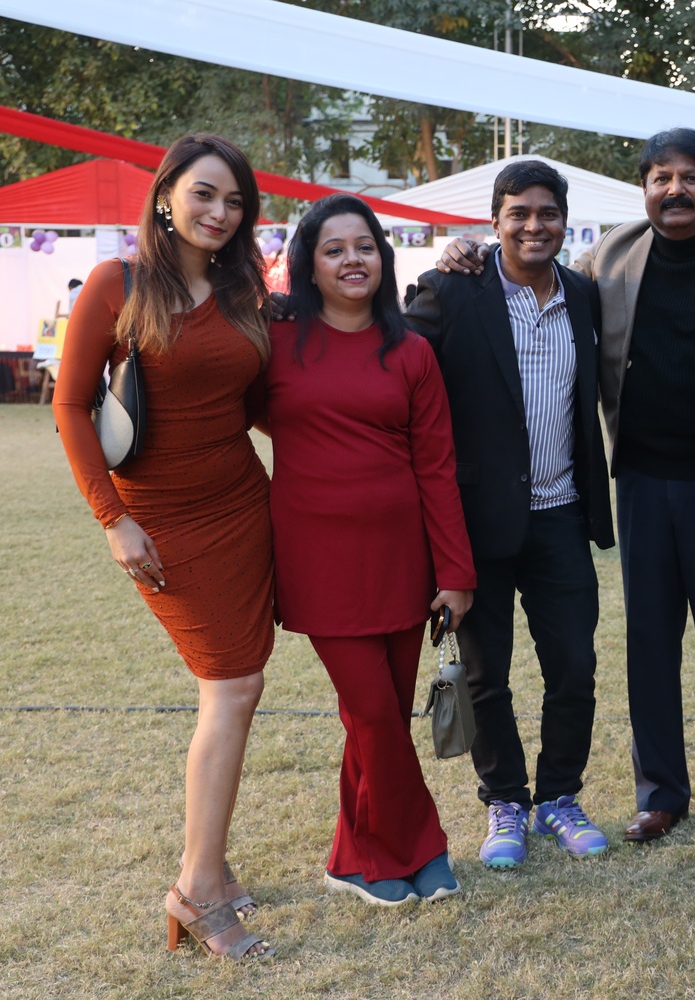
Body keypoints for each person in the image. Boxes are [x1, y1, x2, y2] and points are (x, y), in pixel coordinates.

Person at [438, 128, 695, 857]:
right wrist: (466, 254)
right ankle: (660, 793)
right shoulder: (609, 260)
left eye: (691, 177)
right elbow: (524, 267)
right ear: (644, 190)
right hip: (637, 487)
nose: (675, 190)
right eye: (660, 177)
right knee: (649, 650)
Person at [54, 134, 275, 961]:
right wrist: (112, 519)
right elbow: (70, 406)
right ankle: (196, 887)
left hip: (243, 503)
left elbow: (255, 400)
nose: (220, 212)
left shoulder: (244, 288)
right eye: (205, 194)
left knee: (240, 686)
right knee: (233, 684)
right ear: (166, 196)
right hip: (163, 520)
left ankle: (211, 867)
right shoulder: (118, 283)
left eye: (235, 202)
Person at [256, 193, 473, 905]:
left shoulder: (411, 351)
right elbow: (233, 412)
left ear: (382, 256)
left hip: (403, 561)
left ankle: (353, 857)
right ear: (308, 265)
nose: (353, 259)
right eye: (334, 249)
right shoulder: (274, 342)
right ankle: (421, 847)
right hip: (318, 562)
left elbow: (437, 466)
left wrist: (455, 572)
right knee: (375, 715)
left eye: (365, 246)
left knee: (375, 720)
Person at [406, 161, 615, 871]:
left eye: (547, 213)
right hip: (475, 523)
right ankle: (504, 801)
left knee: (574, 667)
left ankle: (559, 796)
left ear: (565, 221)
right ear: (494, 221)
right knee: (484, 675)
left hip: (562, 515)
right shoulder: (449, 291)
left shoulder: (583, 295)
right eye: (518, 213)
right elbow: (391, 359)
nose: (534, 225)